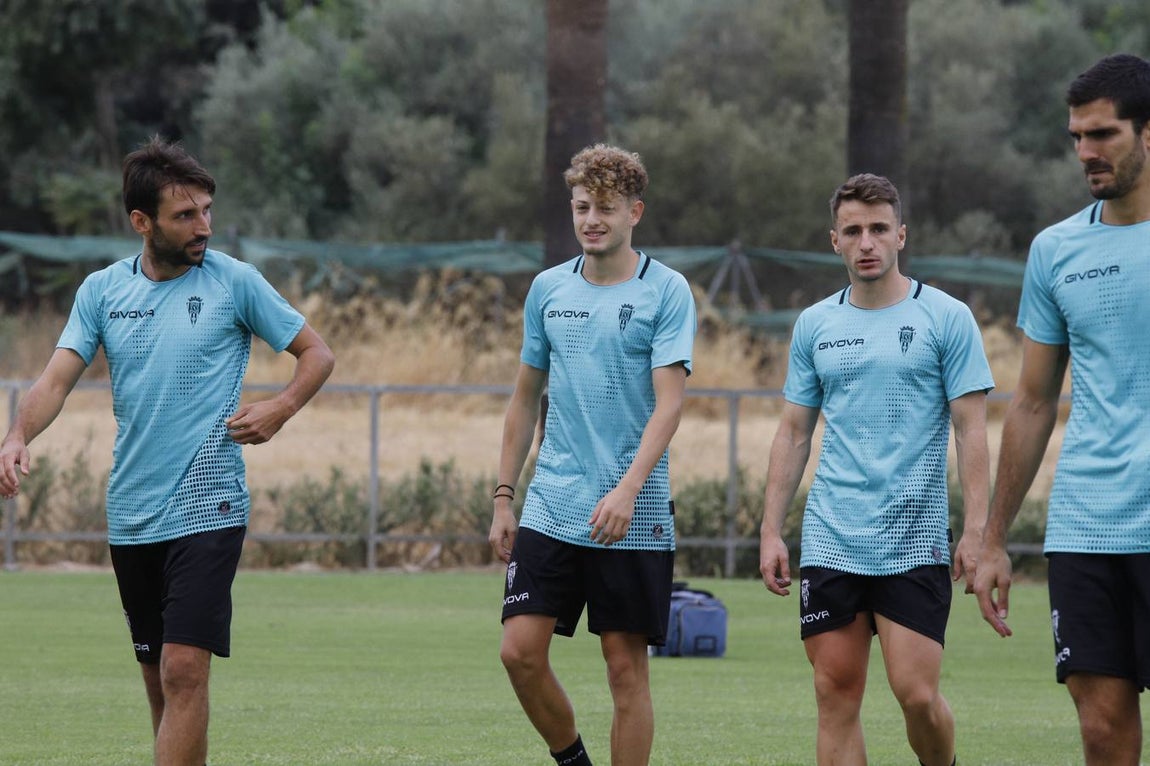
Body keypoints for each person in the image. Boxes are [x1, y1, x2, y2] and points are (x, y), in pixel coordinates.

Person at [0, 137, 334, 766]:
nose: (203, 225)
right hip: (131, 514)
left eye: (207, 210)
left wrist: (280, 408)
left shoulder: (235, 282)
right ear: (141, 222)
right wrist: (16, 435)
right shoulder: (101, 292)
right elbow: (54, 380)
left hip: (210, 505)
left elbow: (317, 354)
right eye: (186, 215)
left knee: (184, 671)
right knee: (161, 681)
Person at [759, 174, 993, 766]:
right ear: (834, 240)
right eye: (854, 231)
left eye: (879, 229)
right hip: (832, 536)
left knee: (916, 695)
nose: (867, 242)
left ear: (901, 236)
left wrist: (975, 531)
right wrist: (769, 530)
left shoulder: (947, 317)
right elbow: (793, 432)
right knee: (834, 694)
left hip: (912, 540)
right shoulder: (814, 324)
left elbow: (971, 430)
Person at [488, 144, 695, 766]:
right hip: (553, 504)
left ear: (635, 211)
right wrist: (504, 498)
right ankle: (573, 760)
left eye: (605, 207)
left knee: (625, 672)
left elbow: (670, 406)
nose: (591, 219)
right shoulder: (548, 289)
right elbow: (524, 400)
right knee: (518, 652)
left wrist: (629, 489)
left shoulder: (667, 291)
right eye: (582, 207)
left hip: (633, 512)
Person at [973, 53, 1150, 765]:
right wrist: (990, 539)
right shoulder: (1056, 250)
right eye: (1077, 136)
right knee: (1102, 729)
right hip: (1088, 525)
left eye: (1103, 134)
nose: (1086, 152)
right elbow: (1033, 401)